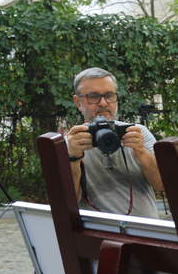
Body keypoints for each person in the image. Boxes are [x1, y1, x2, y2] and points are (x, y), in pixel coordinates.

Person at [65, 67, 162, 218]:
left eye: (109, 95)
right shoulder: (72, 143)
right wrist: (73, 158)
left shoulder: (138, 132)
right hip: (100, 230)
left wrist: (141, 152)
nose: (103, 103)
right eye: (93, 97)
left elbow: (161, 185)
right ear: (78, 102)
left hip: (145, 228)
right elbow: (69, 201)